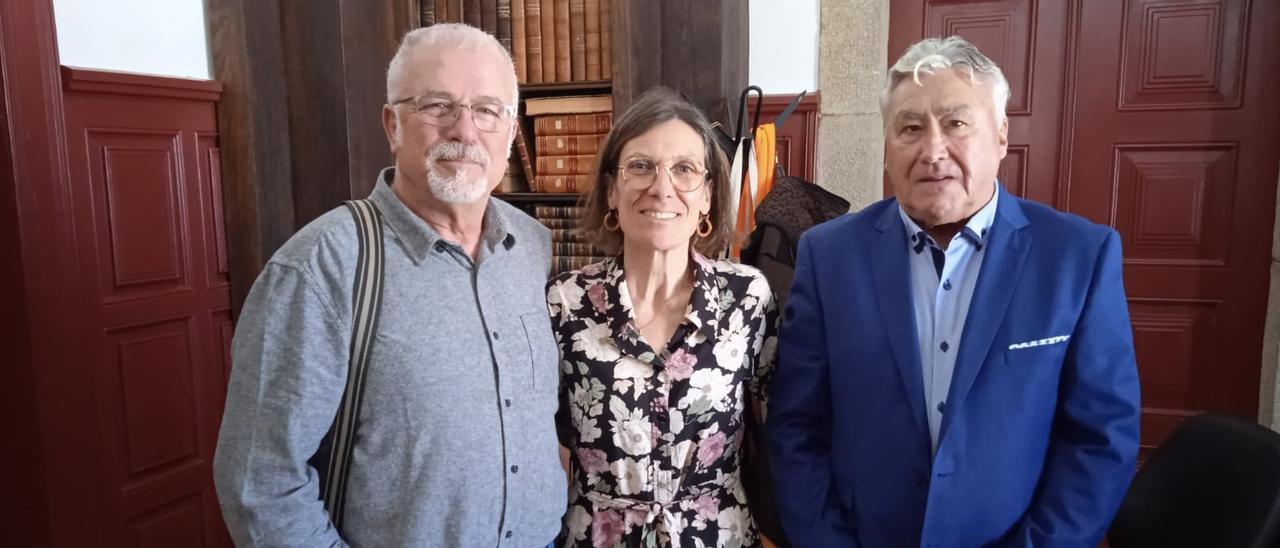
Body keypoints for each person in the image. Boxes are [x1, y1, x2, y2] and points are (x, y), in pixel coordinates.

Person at [768, 36, 1141, 547]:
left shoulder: (1078, 256)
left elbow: (1101, 439)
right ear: (887, 145)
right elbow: (796, 429)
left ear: (1002, 136)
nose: (932, 150)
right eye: (910, 128)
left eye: (956, 123)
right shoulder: (829, 256)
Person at [213, 23, 565, 547]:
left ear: (511, 132)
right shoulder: (320, 269)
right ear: (393, 125)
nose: (465, 132)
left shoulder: (532, 247)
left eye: (487, 110)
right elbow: (259, 482)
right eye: (437, 106)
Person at [546, 87, 778, 547]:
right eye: (640, 166)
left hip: (717, 537)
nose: (661, 187)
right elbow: (540, 440)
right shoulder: (566, 301)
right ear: (612, 190)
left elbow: (781, 428)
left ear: (708, 196)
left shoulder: (747, 298)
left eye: (684, 169)